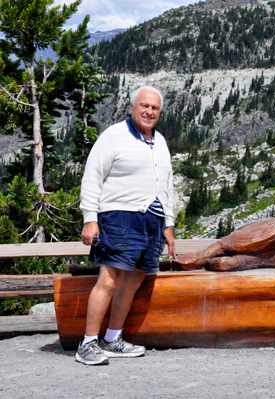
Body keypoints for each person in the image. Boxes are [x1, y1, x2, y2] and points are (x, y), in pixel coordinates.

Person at [76, 86, 176, 365]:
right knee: (109, 280)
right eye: (144, 106)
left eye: (155, 108)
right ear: (132, 107)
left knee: (133, 280)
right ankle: (87, 344)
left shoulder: (161, 141)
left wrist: (168, 225)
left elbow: (166, 186)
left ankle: (112, 339)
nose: (149, 112)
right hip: (119, 216)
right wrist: (90, 219)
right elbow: (92, 176)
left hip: (153, 221)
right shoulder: (113, 136)